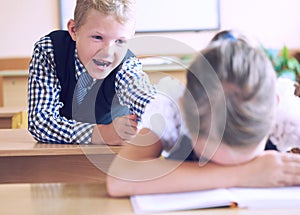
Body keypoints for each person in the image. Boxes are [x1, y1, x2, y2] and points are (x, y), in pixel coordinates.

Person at [106, 37, 300, 197]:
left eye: (247, 160)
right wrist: (244, 173)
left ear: (275, 107)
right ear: (183, 108)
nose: (225, 166)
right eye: (210, 159)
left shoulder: (287, 115)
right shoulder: (172, 111)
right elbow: (120, 178)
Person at [28, 0, 156, 145]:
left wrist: (162, 111)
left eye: (120, 41)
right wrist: (102, 134)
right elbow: (40, 122)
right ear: (74, 30)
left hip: (111, 156)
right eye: (97, 37)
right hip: (60, 154)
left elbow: (143, 95)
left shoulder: (126, 65)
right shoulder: (50, 50)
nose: (108, 52)